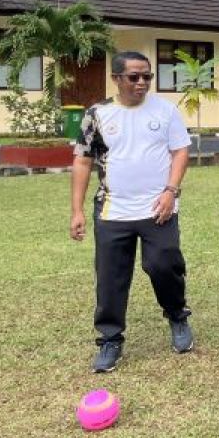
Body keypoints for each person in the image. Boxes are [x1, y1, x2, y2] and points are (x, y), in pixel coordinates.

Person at [70, 51, 194, 373]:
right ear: (116, 79)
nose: (142, 83)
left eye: (147, 77)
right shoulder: (97, 114)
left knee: (163, 264)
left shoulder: (166, 111)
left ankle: (177, 316)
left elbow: (180, 151)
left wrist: (171, 191)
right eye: (134, 77)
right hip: (113, 209)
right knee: (111, 278)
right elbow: (83, 161)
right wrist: (77, 211)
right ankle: (110, 340)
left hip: (159, 207)